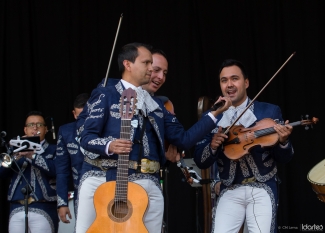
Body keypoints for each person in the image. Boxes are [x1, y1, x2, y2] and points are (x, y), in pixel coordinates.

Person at [75, 42, 231, 233]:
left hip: (150, 182)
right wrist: (109, 145)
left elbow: (183, 139)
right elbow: (86, 136)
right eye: (149, 65)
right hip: (110, 178)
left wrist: (213, 114)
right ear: (128, 64)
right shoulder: (106, 93)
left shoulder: (157, 105)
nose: (153, 72)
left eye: (162, 71)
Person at [194, 59, 294, 233]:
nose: (229, 84)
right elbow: (200, 159)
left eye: (234, 79)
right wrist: (212, 146)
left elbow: (284, 158)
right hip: (230, 189)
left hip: (261, 186)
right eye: (224, 80)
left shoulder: (268, 112)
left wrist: (284, 141)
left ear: (246, 82)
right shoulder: (213, 117)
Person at [0, 111, 58, 233]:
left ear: (46, 129)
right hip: (17, 207)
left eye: (39, 124)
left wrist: (33, 156)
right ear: (25, 130)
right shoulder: (14, 149)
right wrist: (16, 155)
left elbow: (56, 171)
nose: (35, 127)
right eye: (31, 125)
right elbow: (2, 173)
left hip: (44, 205)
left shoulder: (54, 149)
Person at [56, 93, 89, 229]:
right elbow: (62, 170)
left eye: (86, 117)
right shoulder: (66, 131)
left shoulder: (105, 128)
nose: (82, 121)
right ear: (74, 114)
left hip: (108, 189)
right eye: (79, 117)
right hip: (80, 193)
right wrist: (62, 203)